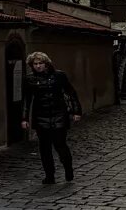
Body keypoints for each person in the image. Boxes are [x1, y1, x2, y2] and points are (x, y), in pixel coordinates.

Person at [20, 51, 81, 184]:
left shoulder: (59, 76)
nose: (38, 66)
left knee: (60, 145)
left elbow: (71, 93)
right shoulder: (29, 79)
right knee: (44, 148)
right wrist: (24, 118)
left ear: (46, 64)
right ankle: (49, 175)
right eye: (35, 64)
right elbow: (26, 100)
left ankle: (68, 169)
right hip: (41, 116)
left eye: (40, 63)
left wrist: (76, 111)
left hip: (59, 114)